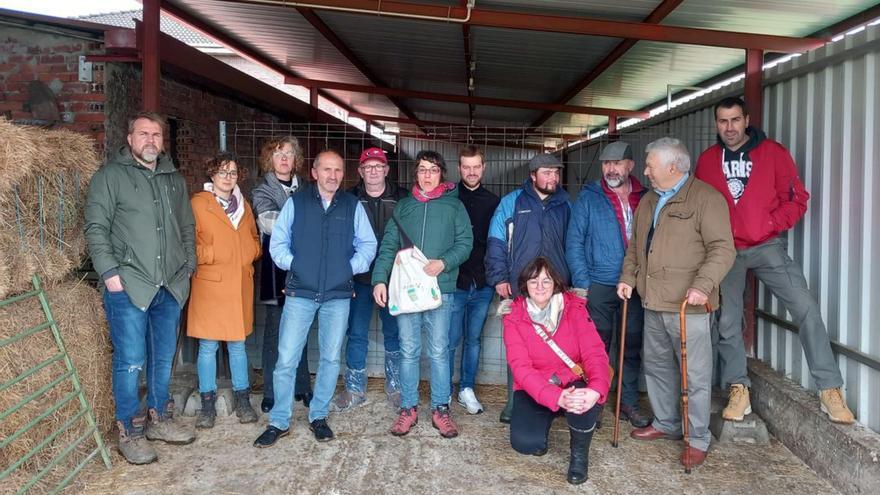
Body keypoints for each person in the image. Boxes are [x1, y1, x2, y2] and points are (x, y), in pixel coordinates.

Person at [696, 97, 854, 425]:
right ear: (716, 124)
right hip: (726, 250)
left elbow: (796, 198)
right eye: (723, 121)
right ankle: (739, 389)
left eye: (735, 120)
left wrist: (769, 224)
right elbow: (701, 207)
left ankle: (830, 388)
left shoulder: (773, 153)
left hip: (767, 246)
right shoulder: (708, 161)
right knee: (728, 322)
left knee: (806, 308)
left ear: (747, 119)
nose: (729, 128)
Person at [84, 112, 196, 464]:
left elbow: (187, 226)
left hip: (170, 284)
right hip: (130, 283)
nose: (151, 140)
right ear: (129, 138)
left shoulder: (173, 178)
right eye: (143, 134)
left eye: (157, 134)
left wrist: (188, 265)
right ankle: (130, 430)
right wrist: (110, 273)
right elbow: (95, 228)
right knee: (131, 360)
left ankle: (158, 418)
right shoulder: (109, 177)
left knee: (163, 358)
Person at [617, 137, 735, 469]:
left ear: (672, 167)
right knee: (655, 367)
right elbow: (635, 248)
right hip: (652, 301)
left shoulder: (706, 199)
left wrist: (703, 285)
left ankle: (697, 438)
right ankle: (666, 422)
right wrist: (628, 278)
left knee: (694, 374)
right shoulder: (648, 201)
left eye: (650, 164)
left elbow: (723, 249)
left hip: (689, 306)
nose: (646, 171)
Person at [253, 150, 377, 447]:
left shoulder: (351, 205)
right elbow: (277, 243)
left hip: (337, 294)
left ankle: (318, 415)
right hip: (300, 292)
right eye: (326, 170)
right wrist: (296, 265)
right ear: (315, 172)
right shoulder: (297, 203)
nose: (332, 175)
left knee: (331, 358)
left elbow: (368, 244)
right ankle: (280, 420)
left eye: (337, 170)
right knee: (286, 359)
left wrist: (350, 267)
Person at [372, 150, 473, 438]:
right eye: (422, 170)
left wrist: (445, 262)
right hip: (407, 292)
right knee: (409, 350)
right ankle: (408, 408)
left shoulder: (454, 208)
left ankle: (441, 408)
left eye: (433, 170)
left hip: (441, 290)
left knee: (440, 352)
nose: (427, 175)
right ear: (415, 174)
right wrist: (380, 279)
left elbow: (465, 243)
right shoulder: (404, 207)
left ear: (442, 173)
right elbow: (389, 245)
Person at [566, 141, 651, 428]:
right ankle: (597, 400)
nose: (610, 169)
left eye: (616, 163)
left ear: (630, 165)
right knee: (597, 346)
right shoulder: (589, 197)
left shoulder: (646, 197)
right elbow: (574, 242)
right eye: (606, 164)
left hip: (635, 286)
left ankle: (626, 400)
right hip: (600, 284)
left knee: (631, 344)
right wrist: (582, 282)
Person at [503, 257, 609, 485]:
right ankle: (549, 416)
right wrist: (555, 396)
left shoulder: (575, 309)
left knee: (582, 400)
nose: (540, 287)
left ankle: (579, 457)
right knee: (525, 443)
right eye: (533, 281)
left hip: (572, 380)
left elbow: (594, 353)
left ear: (555, 284)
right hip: (537, 385)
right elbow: (520, 368)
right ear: (525, 286)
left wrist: (596, 390)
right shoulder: (514, 317)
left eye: (546, 281)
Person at [486, 152, 571, 423]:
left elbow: (576, 243)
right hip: (521, 286)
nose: (553, 178)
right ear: (532, 175)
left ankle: (551, 401)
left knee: (554, 345)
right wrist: (500, 277)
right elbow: (497, 241)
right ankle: (515, 403)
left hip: (556, 287)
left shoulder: (566, 204)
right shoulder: (511, 203)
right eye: (547, 173)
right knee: (519, 348)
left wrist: (575, 282)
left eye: (556, 173)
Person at [187, 153, 261, 429]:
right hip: (211, 282)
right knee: (207, 345)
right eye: (222, 172)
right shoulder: (198, 204)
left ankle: (243, 401)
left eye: (232, 172)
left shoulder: (244, 205)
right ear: (211, 175)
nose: (228, 177)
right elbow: (188, 244)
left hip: (240, 281)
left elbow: (254, 238)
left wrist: (249, 253)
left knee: (238, 344)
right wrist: (215, 253)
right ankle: (208, 404)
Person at [332, 147, 406, 412]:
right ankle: (354, 389)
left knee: (394, 332)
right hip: (359, 278)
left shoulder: (402, 198)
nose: (374, 171)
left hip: (392, 279)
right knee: (356, 332)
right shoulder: (348, 199)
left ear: (386, 170)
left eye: (379, 166)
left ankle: (396, 387)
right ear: (361, 171)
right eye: (368, 167)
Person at [251, 136, 313, 413]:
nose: (284, 159)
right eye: (278, 154)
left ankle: (302, 387)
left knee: (300, 327)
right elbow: (270, 224)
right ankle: (271, 392)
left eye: (289, 154)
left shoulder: (306, 188)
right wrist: (306, 225)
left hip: (303, 268)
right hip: (275, 270)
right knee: (275, 331)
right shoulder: (262, 190)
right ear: (270, 159)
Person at [448, 145, 499, 415]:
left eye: (476, 166)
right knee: (449, 340)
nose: (471, 171)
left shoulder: (493, 201)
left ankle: (466, 388)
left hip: (481, 283)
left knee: (474, 339)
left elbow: (498, 242)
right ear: (459, 168)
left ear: (483, 168)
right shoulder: (447, 198)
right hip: (454, 282)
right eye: (466, 167)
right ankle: (443, 390)